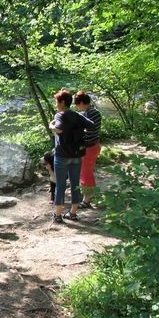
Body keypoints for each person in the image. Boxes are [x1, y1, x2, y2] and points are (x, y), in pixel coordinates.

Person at [49, 89, 94, 223]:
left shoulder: (60, 115)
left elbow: (59, 129)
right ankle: (73, 213)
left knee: (60, 186)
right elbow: (91, 125)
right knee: (75, 185)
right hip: (76, 155)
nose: (56, 104)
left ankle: (58, 215)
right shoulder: (76, 115)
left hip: (62, 156)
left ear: (62, 102)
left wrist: (51, 125)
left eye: (57, 102)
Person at [74, 91, 102, 208]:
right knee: (87, 172)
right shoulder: (93, 112)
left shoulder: (88, 114)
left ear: (81, 103)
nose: (76, 106)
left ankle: (86, 200)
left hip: (89, 148)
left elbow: (88, 134)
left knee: (85, 174)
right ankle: (89, 195)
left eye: (77, 104)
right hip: (94, 146)